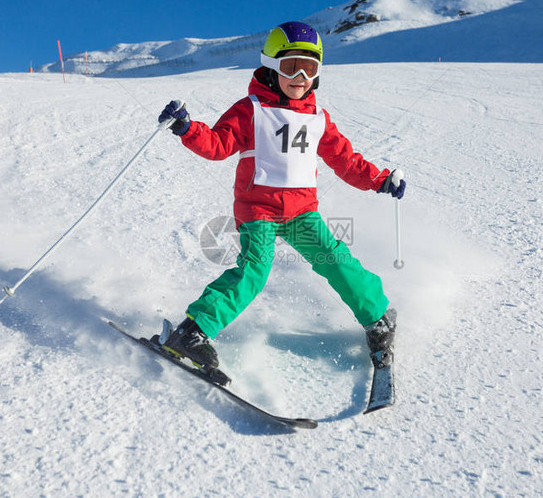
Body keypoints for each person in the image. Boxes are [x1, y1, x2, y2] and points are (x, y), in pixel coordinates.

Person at [157, 21, 405, 372]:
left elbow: (345, 161)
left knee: (336, 260)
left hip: (302, 212)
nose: (301, 76)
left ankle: (378, 319)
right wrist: (187, 128)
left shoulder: (318, 119)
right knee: (254, 271)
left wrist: (379, 180)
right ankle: (193, 332)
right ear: (270, 65)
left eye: (310, 67)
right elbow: (217, 145)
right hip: (258, 210)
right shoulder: (251, 110)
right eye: (291, 67)